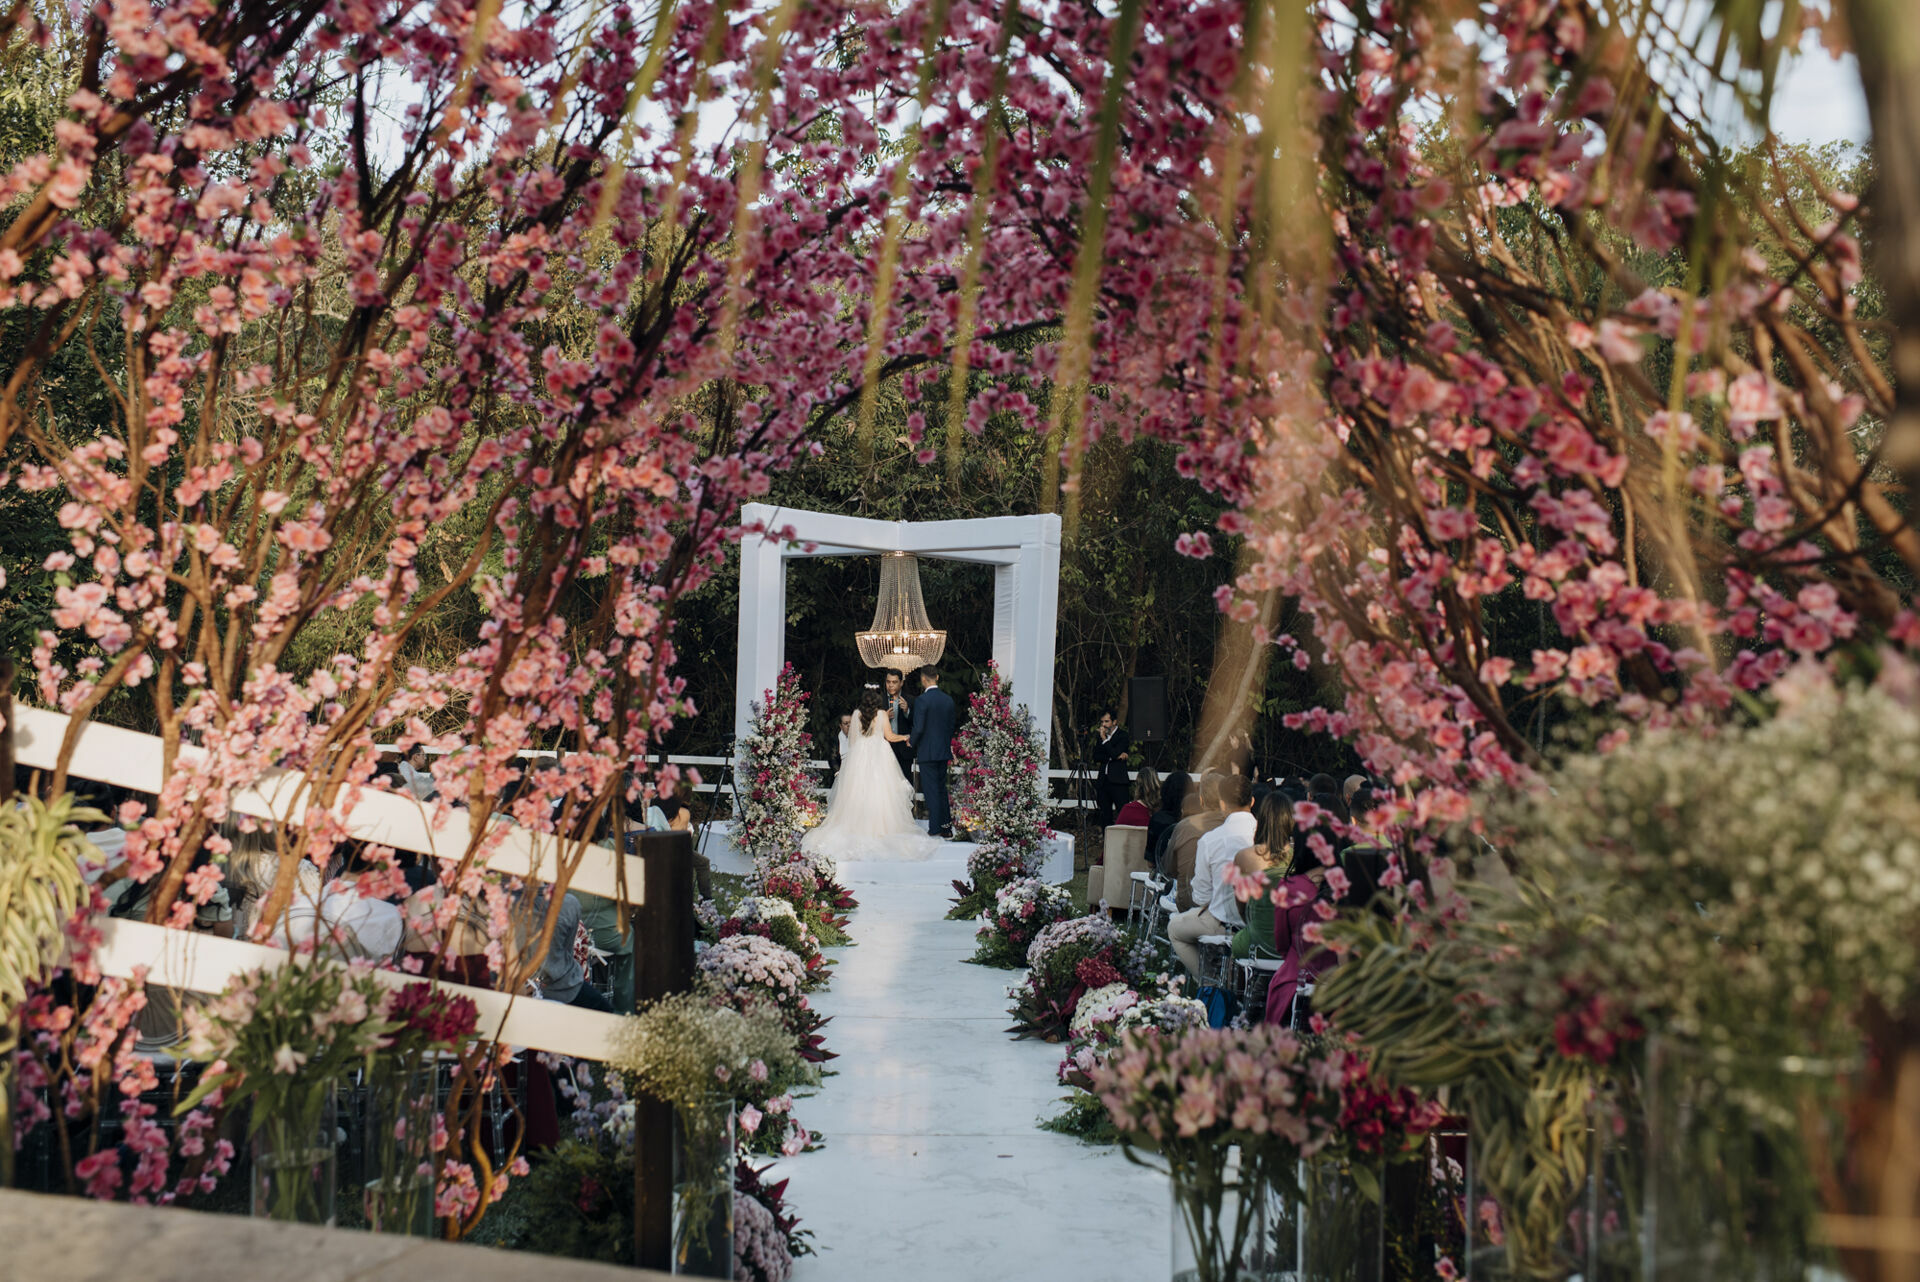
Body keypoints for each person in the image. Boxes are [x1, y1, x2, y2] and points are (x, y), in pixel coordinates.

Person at [802, 685, 944, 860]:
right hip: (880, 753)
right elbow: (890, 737)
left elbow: (852, 740)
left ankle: (858, 826)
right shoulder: (882, 714)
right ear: (877, 701)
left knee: (859, 790)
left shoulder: (856, 715)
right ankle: (881, 828)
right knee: (880, 790)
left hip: (860, 753)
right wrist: (904, 736)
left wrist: (858, 754)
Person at [1169, 773, 1256, 982]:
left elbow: (1201, 896)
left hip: (1223, 923)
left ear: (1222, 803)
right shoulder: (1264, 835)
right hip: (1259, 925)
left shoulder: (1210, 840)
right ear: (1252, 801)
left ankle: (1208, 981)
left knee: (1174, 929)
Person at [1231, 791, 1293, 960]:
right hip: (1291, 946)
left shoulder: (1243, 857)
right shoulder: (1299, 857)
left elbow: (1242, 908)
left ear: (1262, 819)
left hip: (1255, 944)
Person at [1163, 772, 1227, 908]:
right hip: (1226, 902)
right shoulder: (1234, 827)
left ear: (1201, 800)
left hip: (1188, 901)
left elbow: (1169, 868)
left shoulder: (1184, 826)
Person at [909, 667, 957, 839]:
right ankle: (946, 827)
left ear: (923, 679)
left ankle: (935, 827)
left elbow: (919, 727)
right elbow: (951, 726)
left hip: (927, 751)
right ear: (936, 677)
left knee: (931, 790)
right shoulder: (948, 700)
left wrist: (911, 741)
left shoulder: (922, 700)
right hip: (942, 750)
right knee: (941, 789)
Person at [1091, 711, 1132, 828]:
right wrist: (1112, 757)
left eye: (1106, 721)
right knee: (1105, 816)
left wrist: (1105, 740)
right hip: (1103, 781)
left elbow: (1114, 753)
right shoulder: (1101, 737)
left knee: (1123, 814)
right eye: (1102, 722)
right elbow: (1096, 757)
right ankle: (1106, 839)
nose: (1103, 724)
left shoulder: (1123, 735)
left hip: (1118, 781)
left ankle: (1124, 838)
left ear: (1114, 722)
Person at [1145, 773, 1189, 865]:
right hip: (1188, 872)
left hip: (1163, 872)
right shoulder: (1195, 821)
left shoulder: (1157, 819)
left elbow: (1150, 863)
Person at [885, 669, 915, 779]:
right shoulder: (879, 700)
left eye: (894, 682)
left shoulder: (910, 700)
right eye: (888, 682)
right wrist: (883, 718)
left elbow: (917, 724)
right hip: (884, 749)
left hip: (904, 750)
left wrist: (907, 711)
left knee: (905, 782)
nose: (890, 685)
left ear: (901, 683)